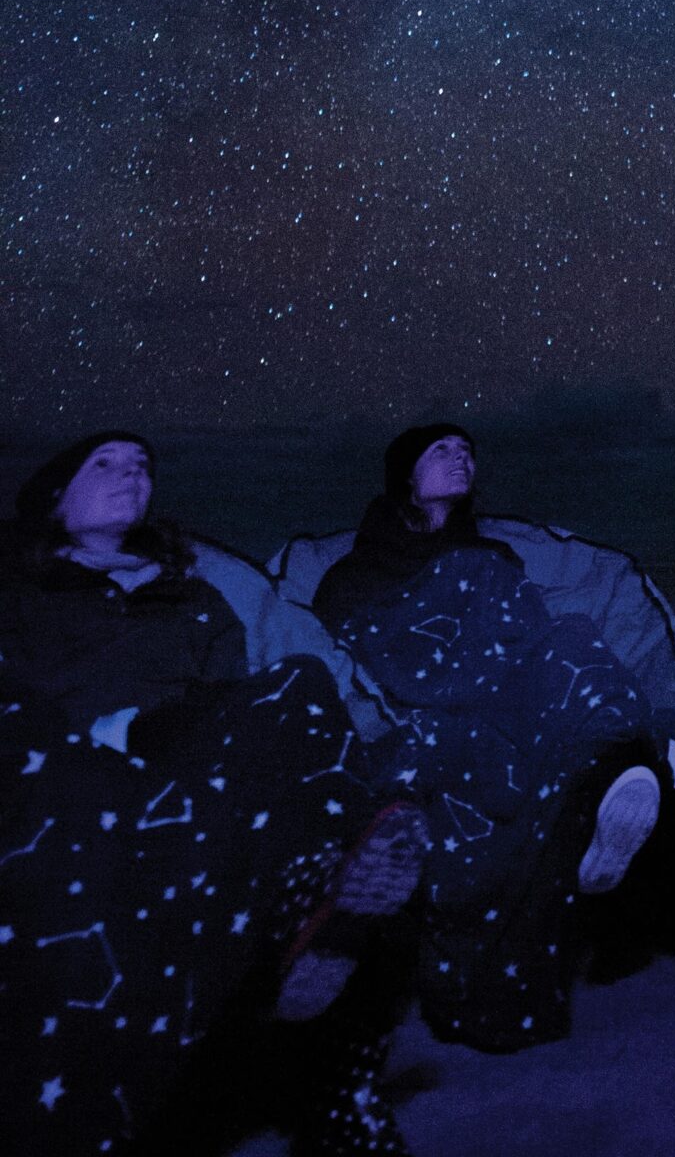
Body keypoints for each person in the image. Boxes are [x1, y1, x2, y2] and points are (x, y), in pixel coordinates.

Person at [309, 423, 675, 1054]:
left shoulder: (496, 560)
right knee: (603, 751)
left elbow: (528, 638)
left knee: (572, 647)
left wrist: (517, 672)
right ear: (405, 473)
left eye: (468, 451)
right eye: (442, 451)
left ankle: (637, 807)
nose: (461, 459)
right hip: (438, 713)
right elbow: (351, 660)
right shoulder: (355, 574)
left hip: (523, 706)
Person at [0, 433, 425, 1157]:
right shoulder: (21, 598)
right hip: (72, 774)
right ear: (53, 497)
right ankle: (311, 897)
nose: (130, 475)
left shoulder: (194, 597)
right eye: (103, 464)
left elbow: (234, 699)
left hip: (194, 769)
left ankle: (317, 917)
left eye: (141, 467)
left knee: (302, 686)